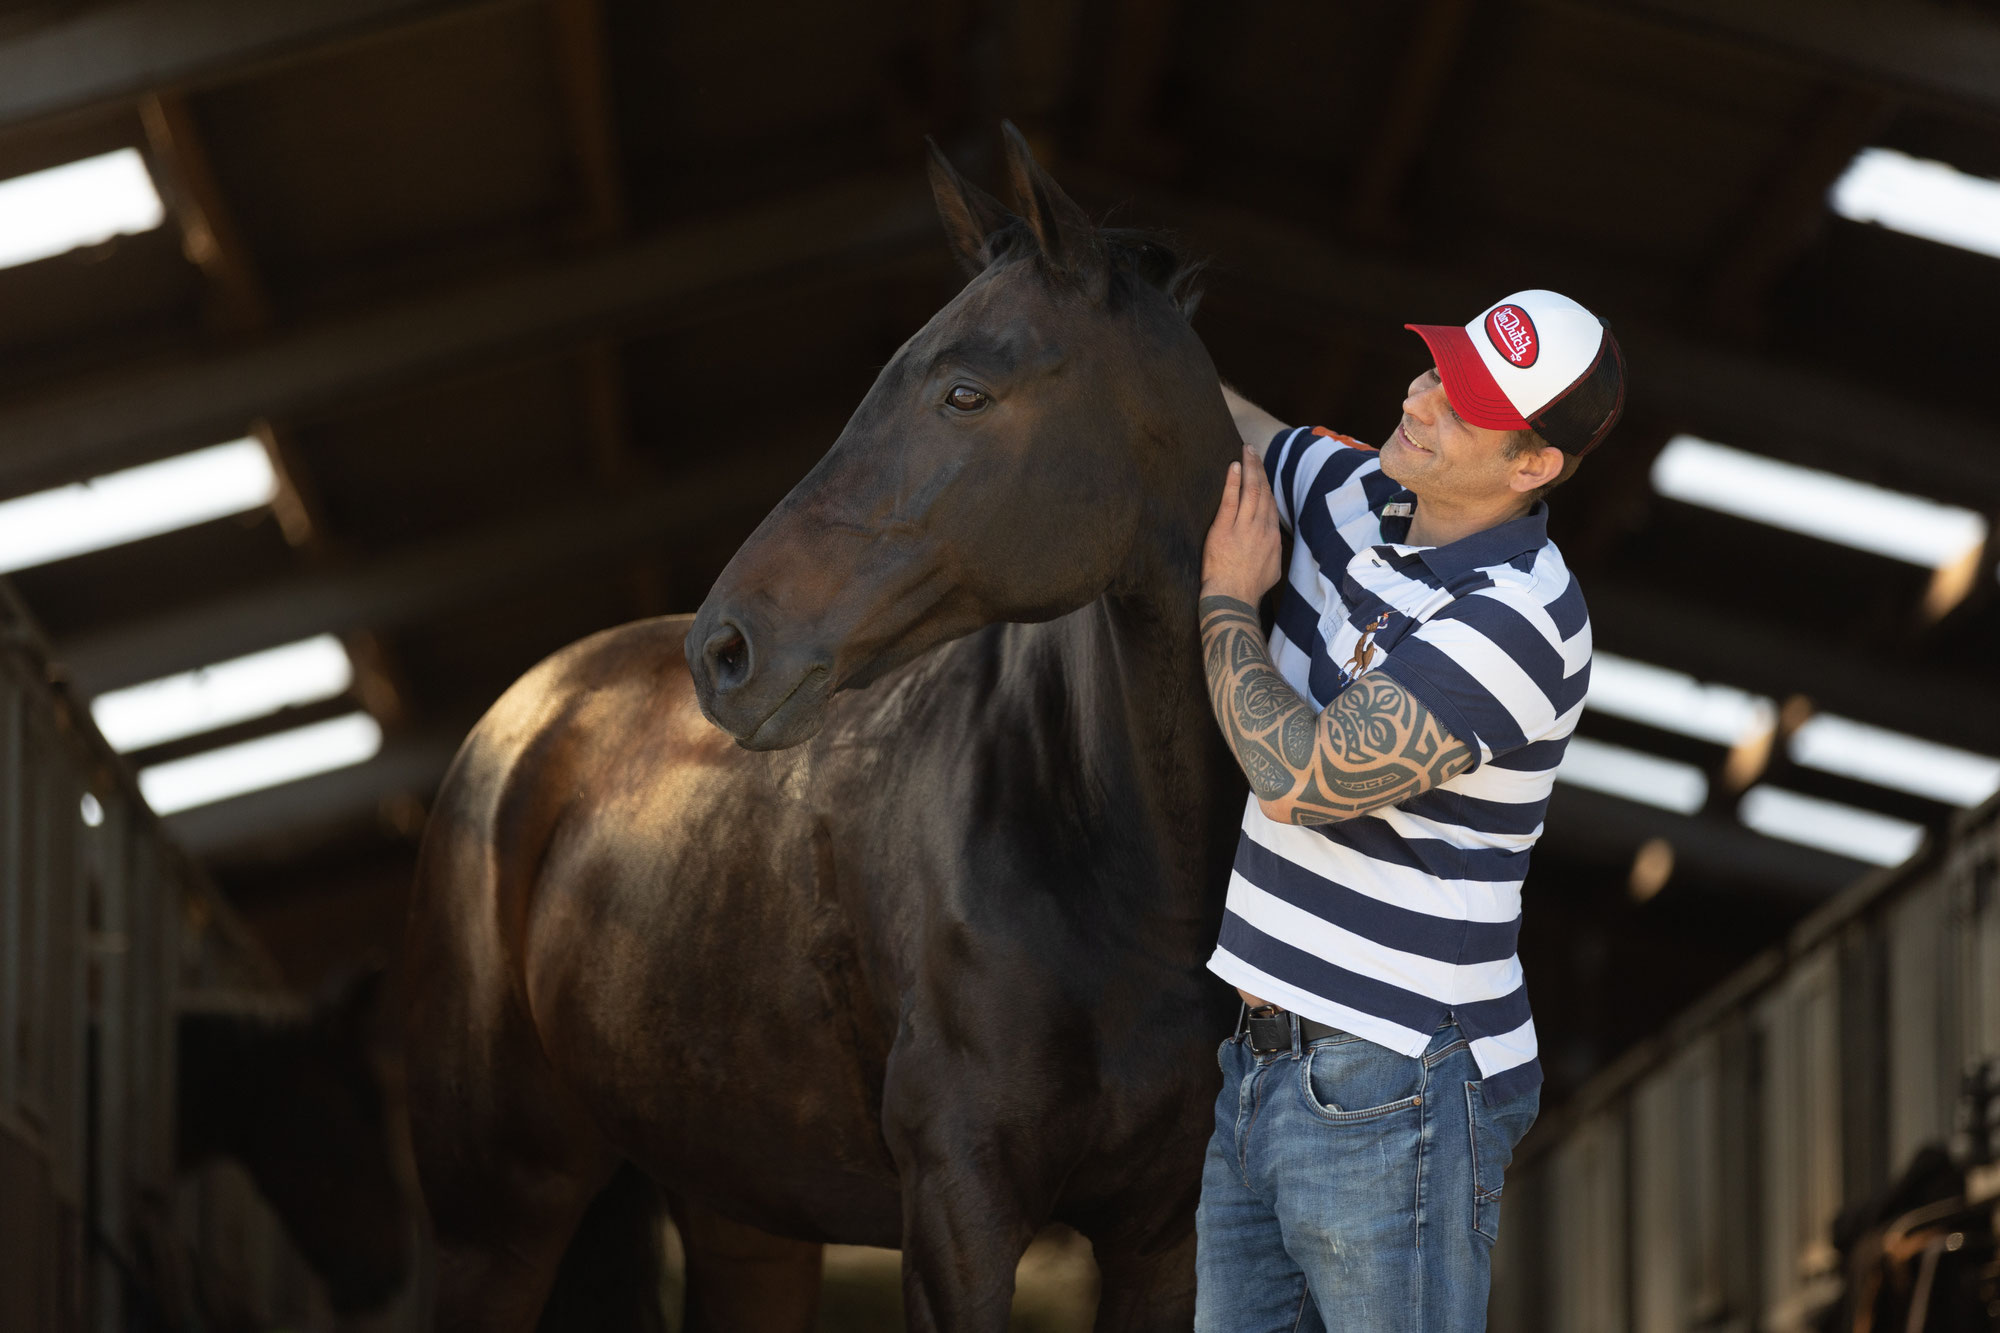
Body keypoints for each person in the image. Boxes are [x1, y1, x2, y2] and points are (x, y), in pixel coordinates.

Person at [1192, 289, 1625, 1331]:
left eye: (1461, 406)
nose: (1420, 399)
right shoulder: (1346, 488)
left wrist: (1224, 600)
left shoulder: (1520, 618)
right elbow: (1219, 420)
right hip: (1256, 1059)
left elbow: (1298, 779)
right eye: (1437, 368)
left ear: (1530, 467)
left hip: (1395, 1083)